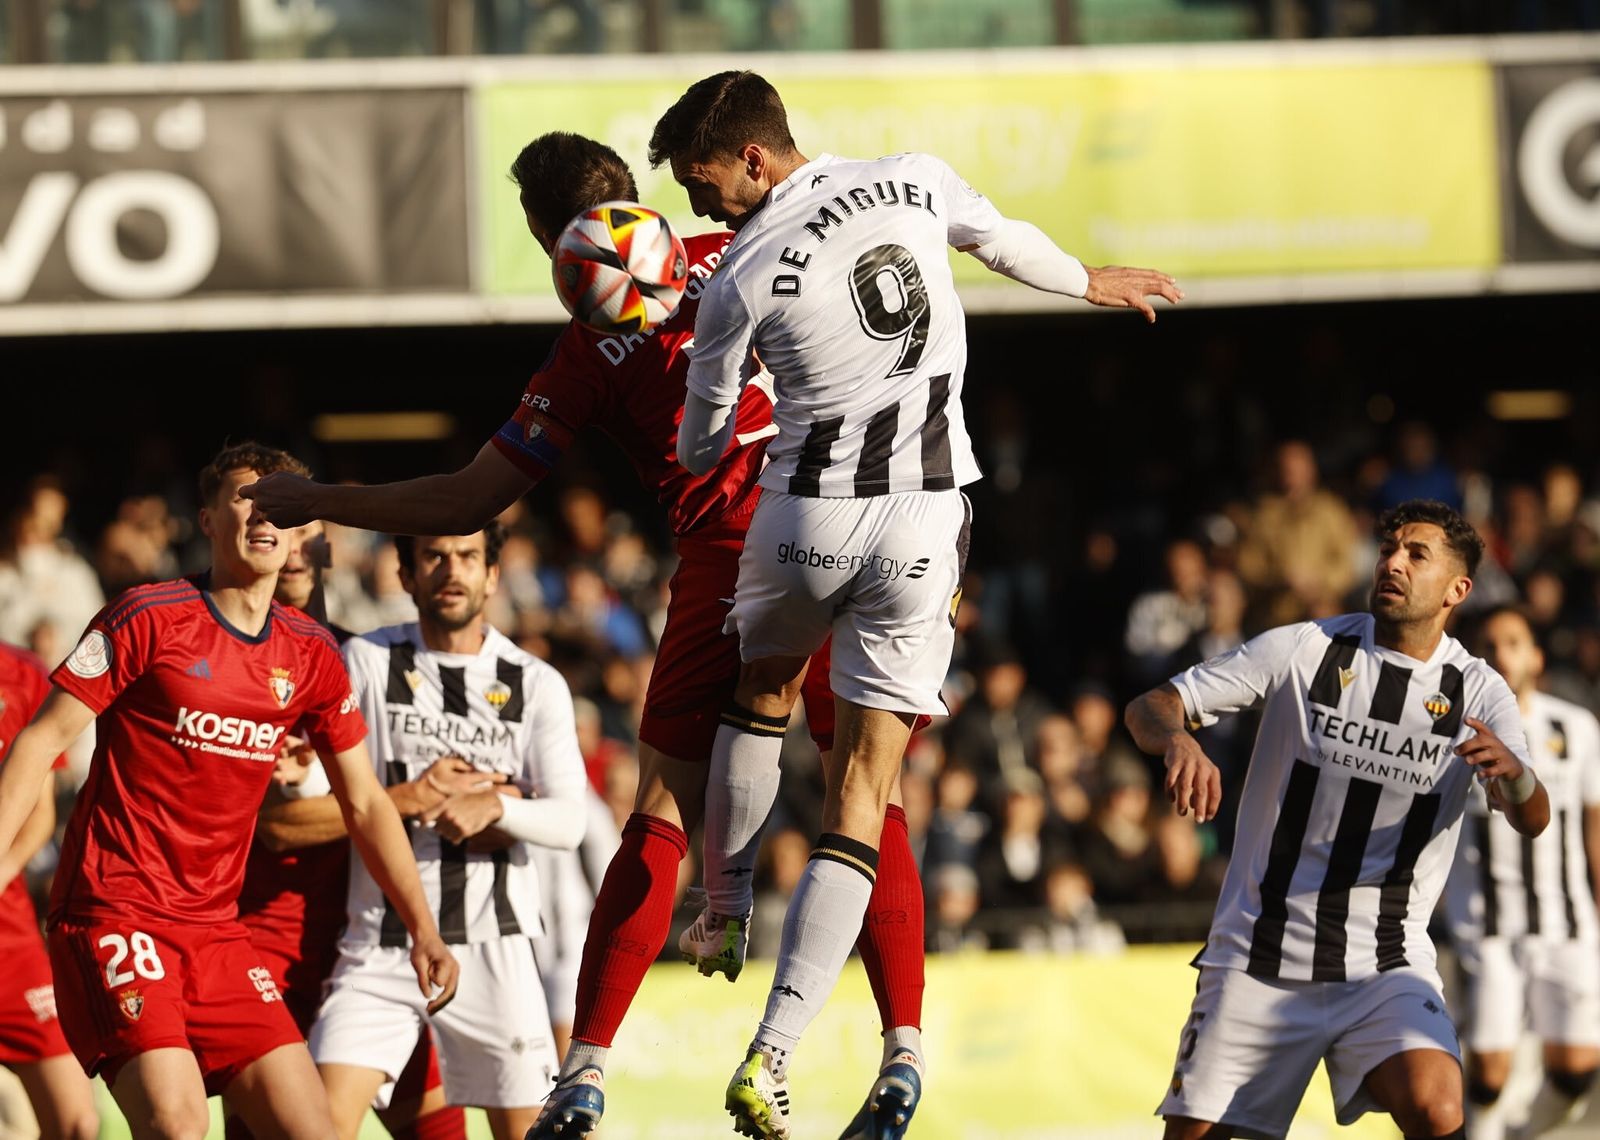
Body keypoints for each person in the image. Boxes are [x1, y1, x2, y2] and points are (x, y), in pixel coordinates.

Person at [239, 131, 932, 1140]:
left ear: (540, 231)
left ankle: (589, 1067)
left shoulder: (583, 347)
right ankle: (900, 1045)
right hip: (841, 519)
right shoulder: (742, 246)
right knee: (867, 787)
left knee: (660, 803)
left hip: (724, 562)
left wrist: (330, 496)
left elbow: (473, 493)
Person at [652, 68, 1181, 1138]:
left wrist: (711, 370)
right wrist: (1090, 281)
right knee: (866, 789)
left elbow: (702, 446)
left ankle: (725, 904)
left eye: (700, 181)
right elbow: (1003, 242)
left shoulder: (737, 273)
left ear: (751, 157)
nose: (697, 204)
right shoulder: (914, 178)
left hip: (805, 517)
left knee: (758, 698)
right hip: (924, 524)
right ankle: (776, 1050)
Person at [0, 441, 459, 1140]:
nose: (265, 513)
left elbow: (365, 802)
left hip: (217, 932)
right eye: (247, 496)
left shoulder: (311, 654)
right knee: (178, 1125)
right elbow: (39, 741)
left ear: (305, 529)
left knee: (314, 1131)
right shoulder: (147, 616)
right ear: (209, 519)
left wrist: (424, 927)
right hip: (117, 912)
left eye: (284, 503)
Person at [1124, 499, 1550, 1140]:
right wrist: (1179, 741)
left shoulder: (1480, 689)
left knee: (1439, 1107)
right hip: (1259, 957)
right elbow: (1151, 705)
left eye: (1416, 554)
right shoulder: (1305, 647)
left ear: (1456, 589)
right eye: (1388, 549)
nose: (1393, 562)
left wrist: (1514, 775)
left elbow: (1533, 816)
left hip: (1384, 962)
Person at [310, 526, 586, 1140]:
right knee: (315, 1125)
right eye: (433, 556)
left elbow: (570, 820)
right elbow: (326, 801)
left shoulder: (535, 682)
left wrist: (497, 808)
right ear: (406, 575)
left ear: (492, 574)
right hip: (380, 942)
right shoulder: (367, 661)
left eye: (468, 557)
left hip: (496, 944)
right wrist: (411, 799)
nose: (451, 570)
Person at [230, 516, 467, 1140]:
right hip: (269, 946)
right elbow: (274, 828)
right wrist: (409, 797)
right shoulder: (231, 663)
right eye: (276, 531)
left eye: (307, 533)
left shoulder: (362, 661)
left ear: (328, 546)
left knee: (439, 1127)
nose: (295, 550)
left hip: (368, 945)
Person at [1444, 605, 1600, 1140]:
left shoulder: (1576, 727)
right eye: (1489, 644)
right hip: (1486, 928)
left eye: (1513, 641)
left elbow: (1594, 831)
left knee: (1576, 1073)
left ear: (1535, 655)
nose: (1501, 653)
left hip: (1569, 924)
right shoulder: (1447, 734)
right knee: (1488, 1075)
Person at [0, 643, 98, 1140]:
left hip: (10, 935)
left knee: (79, 1123)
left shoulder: (19, 673)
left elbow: (39, 813)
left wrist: (4, 870)